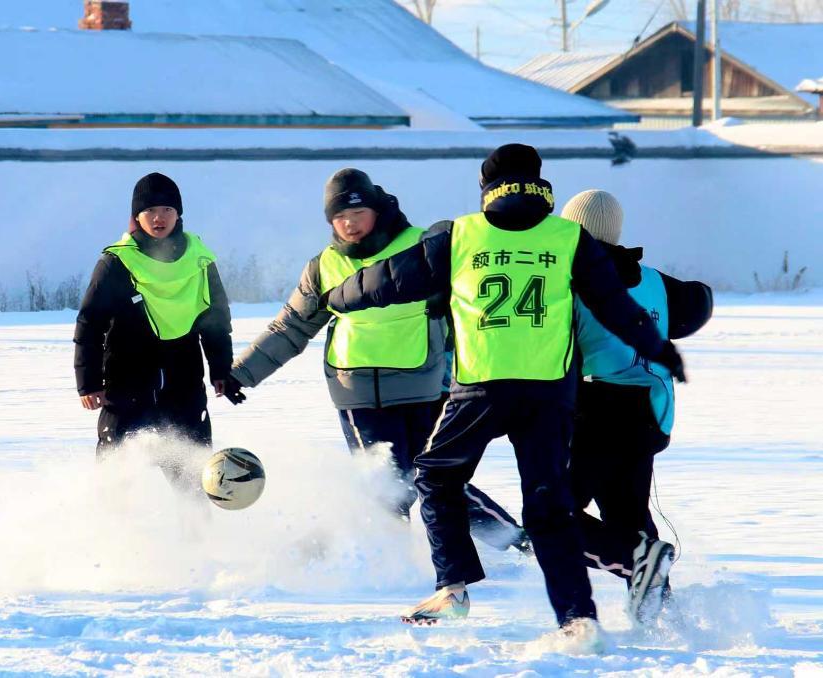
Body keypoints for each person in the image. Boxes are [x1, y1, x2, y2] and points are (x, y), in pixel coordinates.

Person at [326, 144, 686, 635]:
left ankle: (453, 588)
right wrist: (659, 348)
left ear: (486, 186)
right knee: (549, 511)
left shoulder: (460, 235)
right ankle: (578, 621)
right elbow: (615, 305)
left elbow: (388, 279)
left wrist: (338, 295)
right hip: (549, 397)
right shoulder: (567, 237)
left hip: (481, 387)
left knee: (434, 476)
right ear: (539, 182)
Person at [228, 168, 526, 550]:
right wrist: (240, 373)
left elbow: (469, 307)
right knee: (384, 486)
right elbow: (292, 327)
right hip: (357, 393)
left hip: (424, 385)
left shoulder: (420, 246)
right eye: (340, 217)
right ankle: (392, 561)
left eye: (358, 213)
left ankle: (514, 540)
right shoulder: (324, 265)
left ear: (378, 210)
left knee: (437, 477)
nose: (350, 224)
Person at [561, 190, 713, 624]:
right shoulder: (654, 281)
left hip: (595, 409)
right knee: (627, 512)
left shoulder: (571, 280)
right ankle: (658, 612)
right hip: (649, 413)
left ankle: (636, 560)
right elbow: (699, 301)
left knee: (551, 518)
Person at [73, 172, 241, 491]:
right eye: (149, 210)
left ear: (178, 214)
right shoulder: (116, 262)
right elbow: (90, 323)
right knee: (113, 483)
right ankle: (109, 525)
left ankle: (197, 526)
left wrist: (221, 369)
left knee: (193, 483)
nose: (158, 217)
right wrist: (89, 382)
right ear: (136, 216)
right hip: (126, 387)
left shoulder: (199, 260)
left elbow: (216, 319)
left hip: (184, 386)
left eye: (167, 209)